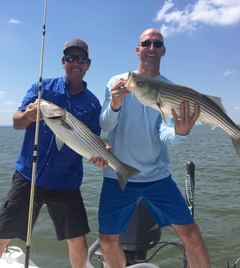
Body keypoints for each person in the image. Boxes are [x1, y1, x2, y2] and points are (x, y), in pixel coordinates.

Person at [0, 38, 101, 268]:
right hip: (29, 175)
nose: (76, 63)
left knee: (77, 239)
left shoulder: (93, 104)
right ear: (63, 62)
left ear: (88, 64)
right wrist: (28, 115)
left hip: (66, 181)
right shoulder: (42, 87)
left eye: (81, 59)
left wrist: (98, 157)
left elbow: (92, 142)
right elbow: (16, 122)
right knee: (1, 233)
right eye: (71, 58)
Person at [97, 28, 211, 268]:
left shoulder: (172, 89)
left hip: (157, 177)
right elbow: (106, 125)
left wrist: (181, 133)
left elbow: (164, 133)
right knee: (107, 241)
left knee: (191, 235)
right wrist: (116, 103)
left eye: (156, 44)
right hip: (118, 174)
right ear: (137, 49)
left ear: (163, 50)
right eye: (146, 43)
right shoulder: (116, 82)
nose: (151, 48)